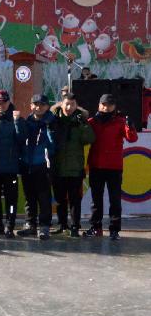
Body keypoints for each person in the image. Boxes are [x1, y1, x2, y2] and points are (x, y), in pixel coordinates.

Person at [85, 94, 138, 240]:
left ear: (114, 106)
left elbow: (132, 138)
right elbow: (83, 138)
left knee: (115, 200)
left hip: (114, 167)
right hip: (96, 165)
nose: (105, 107)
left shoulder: (121, 122)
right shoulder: (92, 122)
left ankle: (115, 230)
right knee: (96, 199)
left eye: (109, 105)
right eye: (103, 104)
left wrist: (130, 126)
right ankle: (96, 227)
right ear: (99, 105)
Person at [0, 89, 26, 238]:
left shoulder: (17, 119)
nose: (0, 105)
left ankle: (10, 225)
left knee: (11, 201)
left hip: (10, 169)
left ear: (9, 102)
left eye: (3, 102)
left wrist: (17, 122)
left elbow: (22, 140)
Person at [51, 92, 95, 237]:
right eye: (67, 104)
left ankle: (75, 226)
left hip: (75, 168)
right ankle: (62, 225)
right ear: (61, 104)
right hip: (57, 167)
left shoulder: (81, 120)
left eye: (72, 104)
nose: (69, 107)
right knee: (60, 200)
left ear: (76, 106)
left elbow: (89, 139)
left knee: (75, 201)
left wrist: (82, 124)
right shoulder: (54, 118)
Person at [18, 94, 56, 239]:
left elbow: (54, 146)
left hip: (43, 165)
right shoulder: (26, 122)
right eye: (36, 104)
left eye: (42, 104)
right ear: (31, 106)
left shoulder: (52, 122)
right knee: (29, 198)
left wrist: (49, 132)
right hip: (27, 165)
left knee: (44, 197)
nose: (38, 107)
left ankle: (45, 226)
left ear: (47, 106)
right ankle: (30, 225)